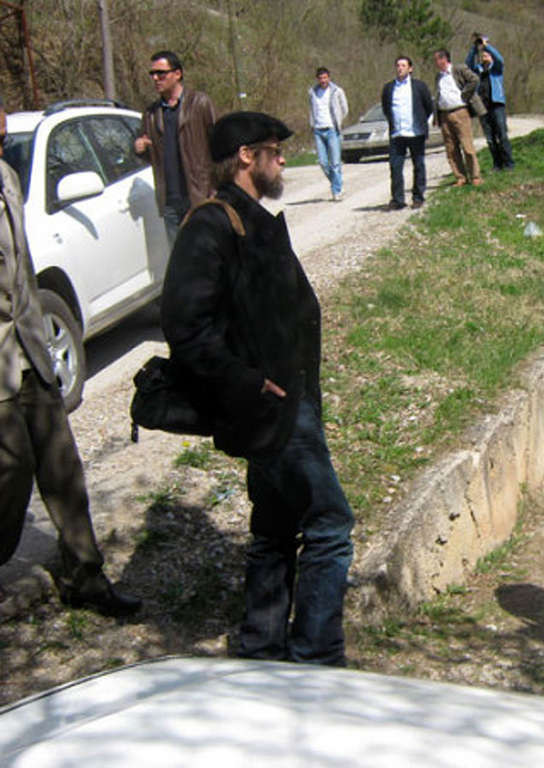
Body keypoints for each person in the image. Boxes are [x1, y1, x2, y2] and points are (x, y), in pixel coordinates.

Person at [161, 112, 355, 665]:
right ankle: (316, 659)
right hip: (272, 409)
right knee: (330, 525)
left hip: (282, 402)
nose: (282, 159)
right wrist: (251, 384)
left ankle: (262, 650)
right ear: (246, 156)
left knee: (274, 528)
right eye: (273, 150)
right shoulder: (211, 226)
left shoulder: (250, 220)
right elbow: (184, 327)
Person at [0, 157, 141, 617]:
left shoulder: (6, 176)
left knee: (63, 468)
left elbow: (22, 270)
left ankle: (85, 576)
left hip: (30, 350)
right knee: (12, 469)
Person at [134, 50, 217, 244]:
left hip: (199, 196)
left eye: (161, 73)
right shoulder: (151, 113)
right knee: (182, 262)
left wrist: (215, 190)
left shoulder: (199, 103)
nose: (155, 78)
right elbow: (153, 158)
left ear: (177, 74)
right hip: (170, 202)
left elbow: (219, 146)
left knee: (209, 255)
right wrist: (140, 149)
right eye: (152, 74)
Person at [381, 56, 434, 210]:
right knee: (395, 167)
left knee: (418, 165)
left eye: (403, 65)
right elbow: (386, 108)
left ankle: (418, 197)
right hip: (397, 134)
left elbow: (428, 106)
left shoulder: (419, 86)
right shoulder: (389, 88)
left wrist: (423, 123)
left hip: (415, 132)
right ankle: (397, 199)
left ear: (410, 68)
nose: (400, 68)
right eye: (398, 65)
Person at [432, 48, 485, 187]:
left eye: (437, 59)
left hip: (460, 111)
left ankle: (475, 176)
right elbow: (438, 96)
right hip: (444, 114)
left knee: (467, 146)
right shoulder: (438, 77)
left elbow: (474, 79)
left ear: (444, 59)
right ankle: (460, 177)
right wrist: (436, 116)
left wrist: (465, 95)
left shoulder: (458, 69)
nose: (436, 63)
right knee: (451, 149)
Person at [466, 35, 514, 171]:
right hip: (482, 106)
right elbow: (467, 64)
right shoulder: (477, 70)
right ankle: (497, 164)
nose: (484, 55)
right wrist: (475, 48)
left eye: (487, 54)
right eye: (483, 54)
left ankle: (509, 163)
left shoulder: (496, 69)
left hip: (497, 104)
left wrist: (487, 46)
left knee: (502, 135)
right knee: (490, 138)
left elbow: (499, 59)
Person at [307, 67, 348, 201]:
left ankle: (336, 190)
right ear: (317, 79)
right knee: (324, 163)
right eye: (320, 78)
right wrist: (312, 124)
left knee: (335, 162)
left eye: (325, 78)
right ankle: (337, 182)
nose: (323, 80)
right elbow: (311, 109)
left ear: (329, 78)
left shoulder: (337, 91)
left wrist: (338, 121)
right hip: (318, 130)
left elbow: (344, 108)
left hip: (332, 129)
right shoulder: (313, 92)